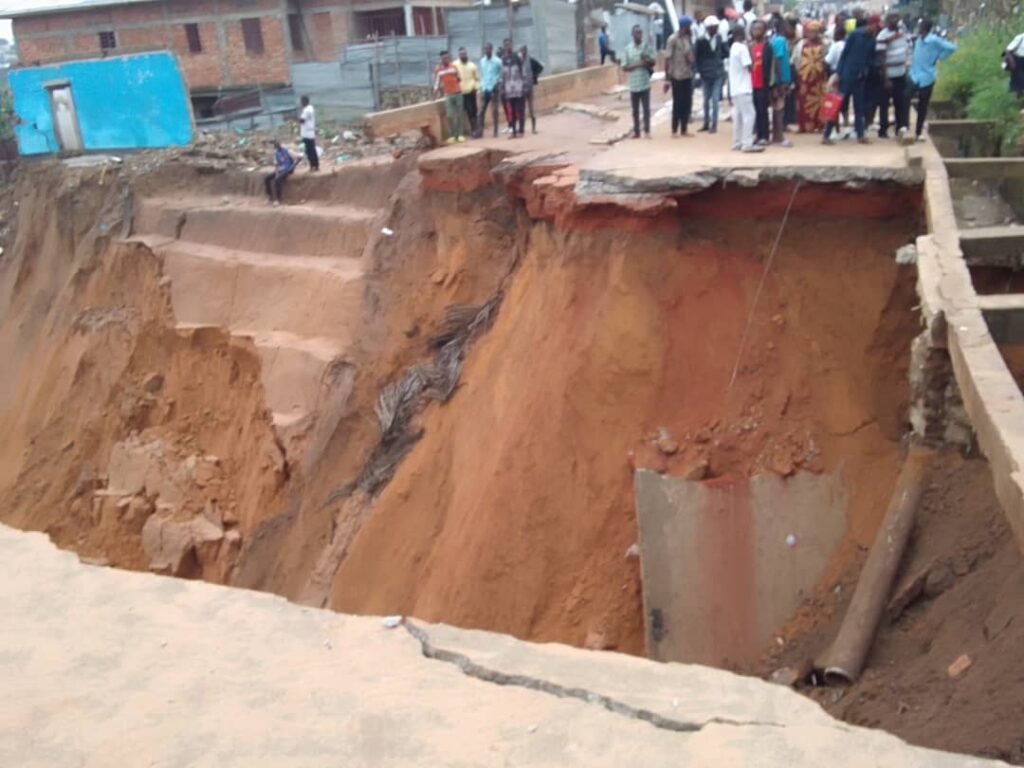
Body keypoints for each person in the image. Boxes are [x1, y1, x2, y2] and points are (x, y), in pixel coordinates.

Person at [824, 16, 877, 144]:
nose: (875, 29)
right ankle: (826, 135)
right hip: (847, 75)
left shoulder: (872, 40)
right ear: (869, 25)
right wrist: (839, 73)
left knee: (859, 107)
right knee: (838, 104)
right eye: (874, 26)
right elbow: (844, 55)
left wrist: (866, 71)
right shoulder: (855, 35)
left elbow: (870, 59)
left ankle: (860, 135)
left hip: (859, 77)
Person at [910, 18, 957, 141]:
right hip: (914, 75)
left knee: (922, 105)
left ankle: (918, 132)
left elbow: (951, 47)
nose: (918, 29)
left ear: (924, 29)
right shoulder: (918, 41)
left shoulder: (934, 40)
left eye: (920, 27)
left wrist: (940, 56)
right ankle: (902, 126)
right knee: (904, 99)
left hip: (927, 76)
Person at [876, 13, 911, 141]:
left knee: (900, 102)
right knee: (884, 104)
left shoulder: (902, 33)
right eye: (892, 19)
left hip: (900, 73)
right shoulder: (882, 35)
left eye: (897, 18)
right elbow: (881, 59)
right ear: (887, 21)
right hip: (888, 76)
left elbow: (907, 50)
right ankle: (883, 130)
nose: (895, 21)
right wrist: (885, 79)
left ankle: (900, 127)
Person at [728, 25, 762, 153]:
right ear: (743, 34)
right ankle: (747, 143)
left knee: (738, 116)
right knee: (749, 115)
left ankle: (737, 141)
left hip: (735, 88)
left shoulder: (733, 47)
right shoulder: (742, 48)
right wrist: (750, 50)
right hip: (744, 87)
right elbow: (750, 67)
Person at [792, 20, 827, 133]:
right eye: (810, 31)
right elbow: (795, 60)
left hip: (819, 80)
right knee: (803, 102)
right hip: (804, 80)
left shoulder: (824, 44)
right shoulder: (801, 44)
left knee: (819, 102)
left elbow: (826, 60)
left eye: (815, 31)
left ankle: (820, 125)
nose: (812, 34)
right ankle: (804, 126)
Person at [665, 16, 696, 137]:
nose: (690, 28)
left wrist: (691, 59)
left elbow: (690, 56)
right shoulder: (672, 39)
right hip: (676, 75)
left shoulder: (688, 39)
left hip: (687, 74)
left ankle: (684, 129)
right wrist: (667, 79)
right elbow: (667, 59)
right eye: (689, 26)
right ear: (684, 27)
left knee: (687, 102)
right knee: (677, 103)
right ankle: (674, 129)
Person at [622, 24, 655, 139]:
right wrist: (638, 64)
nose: (639, 35)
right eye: (636, 33)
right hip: (634, 84)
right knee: (635, 110)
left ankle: (647, 131)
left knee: (646, 109)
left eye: (640, 33)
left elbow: (653, 62)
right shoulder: (627, 49)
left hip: (645, 82)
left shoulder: (646, 47)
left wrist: (646, 60)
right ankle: (637, 132)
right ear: (632, 35)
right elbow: (624, 67)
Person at [696, 14, 727, 133]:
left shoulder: (719, 38)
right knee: (705, 100)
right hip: (705, 74)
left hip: (717, 73)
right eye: (713, 27)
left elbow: (725, 52)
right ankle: (706, 123)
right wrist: (698, 72)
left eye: (716, 27)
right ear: (708, 28)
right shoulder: (701, 41)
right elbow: (697, 57)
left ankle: (714, 125)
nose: (715, 29)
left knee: (714, 100)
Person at [770, 17, 793, 146]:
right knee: (780, 108)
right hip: (781, 78)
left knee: (776, 108)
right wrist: (780, 80)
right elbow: (777, 59)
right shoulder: (780, 40)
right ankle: (780, 137)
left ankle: (776, 136)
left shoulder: (774, 39)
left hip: (778, 78)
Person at [433, 50, 465, 144]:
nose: (446, 59)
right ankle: (453, 135)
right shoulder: (438, 70)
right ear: (441, 59)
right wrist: (434, 97)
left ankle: (460, 134)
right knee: (450, 115)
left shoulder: (454, 67)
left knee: (459, 114)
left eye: (447, 57)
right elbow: (436, 84)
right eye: (444, 58)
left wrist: (456, 86)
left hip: (458, 93)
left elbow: (458, 78)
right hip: (449, 95)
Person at [750, 20, 773, 146]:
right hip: (751, 84)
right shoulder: (750, 46)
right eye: (754, 29)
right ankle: (758, 135)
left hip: (762, 84)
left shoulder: (767, 46)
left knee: (762, 110)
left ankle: (765, 135)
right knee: (755, 111)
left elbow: (770, 66)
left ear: (764, 31)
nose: (756, 32)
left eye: (759, 29)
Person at [500, 39, 526, 138]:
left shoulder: (517, 57)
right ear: (504, 47)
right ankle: (514, 131)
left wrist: (524, 85)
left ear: (511, 46)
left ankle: (521, 130)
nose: (508, 47)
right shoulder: (503, 59)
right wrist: (502, 88)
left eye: (509, 45)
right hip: (509, 90)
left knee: (520, 110)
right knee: (512, 111)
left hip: (519, 88)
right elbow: (502, 75)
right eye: (506, 45)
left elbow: (523, 71)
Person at [453, 48, 480, 139]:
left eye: (464, 54)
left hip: (471, 91)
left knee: (474, 110)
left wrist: (476, 88)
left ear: (466, 54)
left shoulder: (472, 65)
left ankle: (476, 129)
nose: (462, 56)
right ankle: (474, 130)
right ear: (459, 55)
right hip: (462, 92)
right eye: (461, 54)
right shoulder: (455, 65)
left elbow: (477, 78)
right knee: (469, 110)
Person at [478, 43, 502, 138]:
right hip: (485, 88)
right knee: (481, 111)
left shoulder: (497, 61)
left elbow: (502, 73)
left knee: (495, 111)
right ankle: (480, 132)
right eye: (485, 49)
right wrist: (482, 85)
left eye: (488, 49)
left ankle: (495, 131)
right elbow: (482, 74)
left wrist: (498, 83)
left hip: (494, 89)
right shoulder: (482, 61)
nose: (487, 51)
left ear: (491, 50)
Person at [520, 45, 543, 134]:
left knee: (531, 109)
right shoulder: (519, 61)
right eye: (521, 51)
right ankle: (522, 129)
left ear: (526, 51)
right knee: (522, 109)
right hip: (522, 88)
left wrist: (534, 76)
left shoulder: (530, 60)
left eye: (523, 51)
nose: (522, 53)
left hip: (529, 87)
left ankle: (534, 128)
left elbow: (540, 67)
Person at [264, 141, 296, 206]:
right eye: (276, 147)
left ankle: (278, 199)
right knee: (266, 179)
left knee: (277, 180)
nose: (277, 147)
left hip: (287, 169)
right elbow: (276, 164)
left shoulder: (287, 151)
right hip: (280, 169)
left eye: (278, 146)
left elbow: (298, 158)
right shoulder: (276, 153)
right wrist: (276, 171)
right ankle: (270, 196)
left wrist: (292, 167)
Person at [298, 95, 318, 172]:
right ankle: (315, 165)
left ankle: (313, 166)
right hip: (309, 133)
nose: (300, 103)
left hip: (307, 134)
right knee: (312, 150)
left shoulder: (307, 110)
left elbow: (302, 120)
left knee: (309, 151)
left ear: (304, 101)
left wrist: (292, 118)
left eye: (301, 101)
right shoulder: (310, 108)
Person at [1004, 31, 1024, 96]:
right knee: (1020, 79)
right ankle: (1019, 94)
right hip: (1017, 60)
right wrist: (1012, 62)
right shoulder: (1020, 37)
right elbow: (1008, 50)